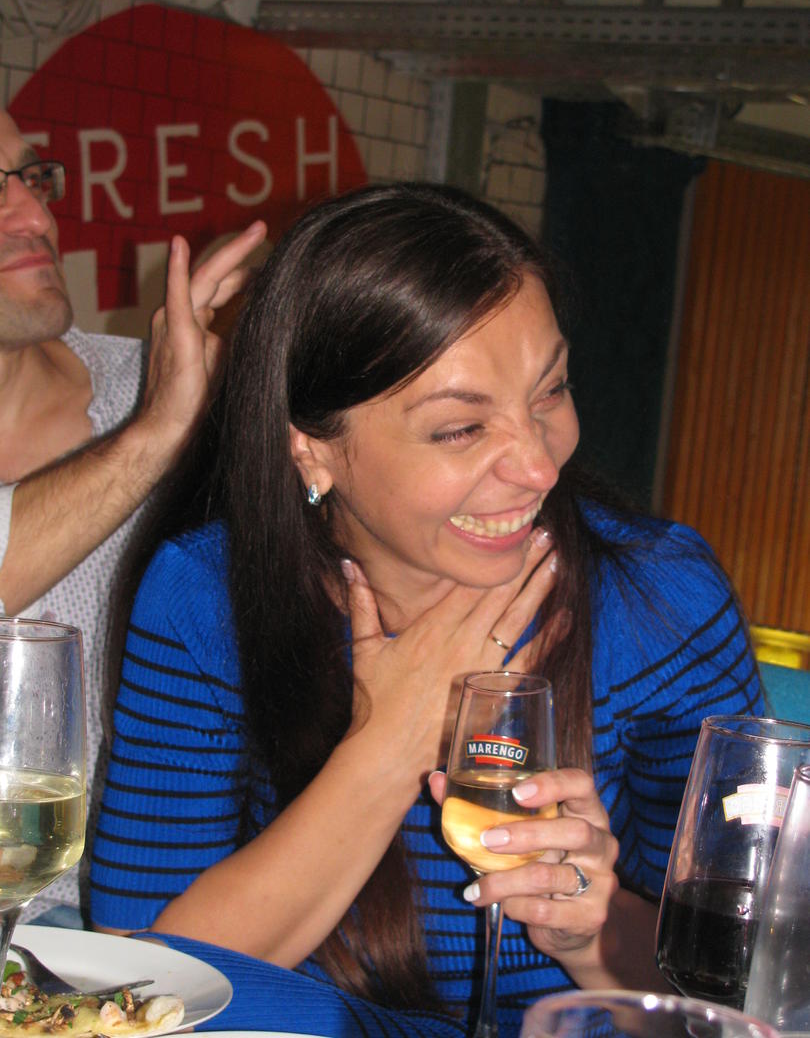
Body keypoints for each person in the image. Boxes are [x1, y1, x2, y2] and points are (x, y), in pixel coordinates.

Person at [90, 183, 762, 1037]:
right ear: (311, 448)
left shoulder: (658, 598)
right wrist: (392, 741)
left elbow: (741, 995)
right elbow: (129, 986)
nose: (539, 467)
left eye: (550, 391)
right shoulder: (207, 595)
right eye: (460, 430)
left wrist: (594, 932)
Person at [0, 107, 267, 923]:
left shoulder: (154, 387)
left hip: (121, 921)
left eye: (30, 178)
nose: (35, 216)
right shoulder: (158, 416)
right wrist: (156, 434)